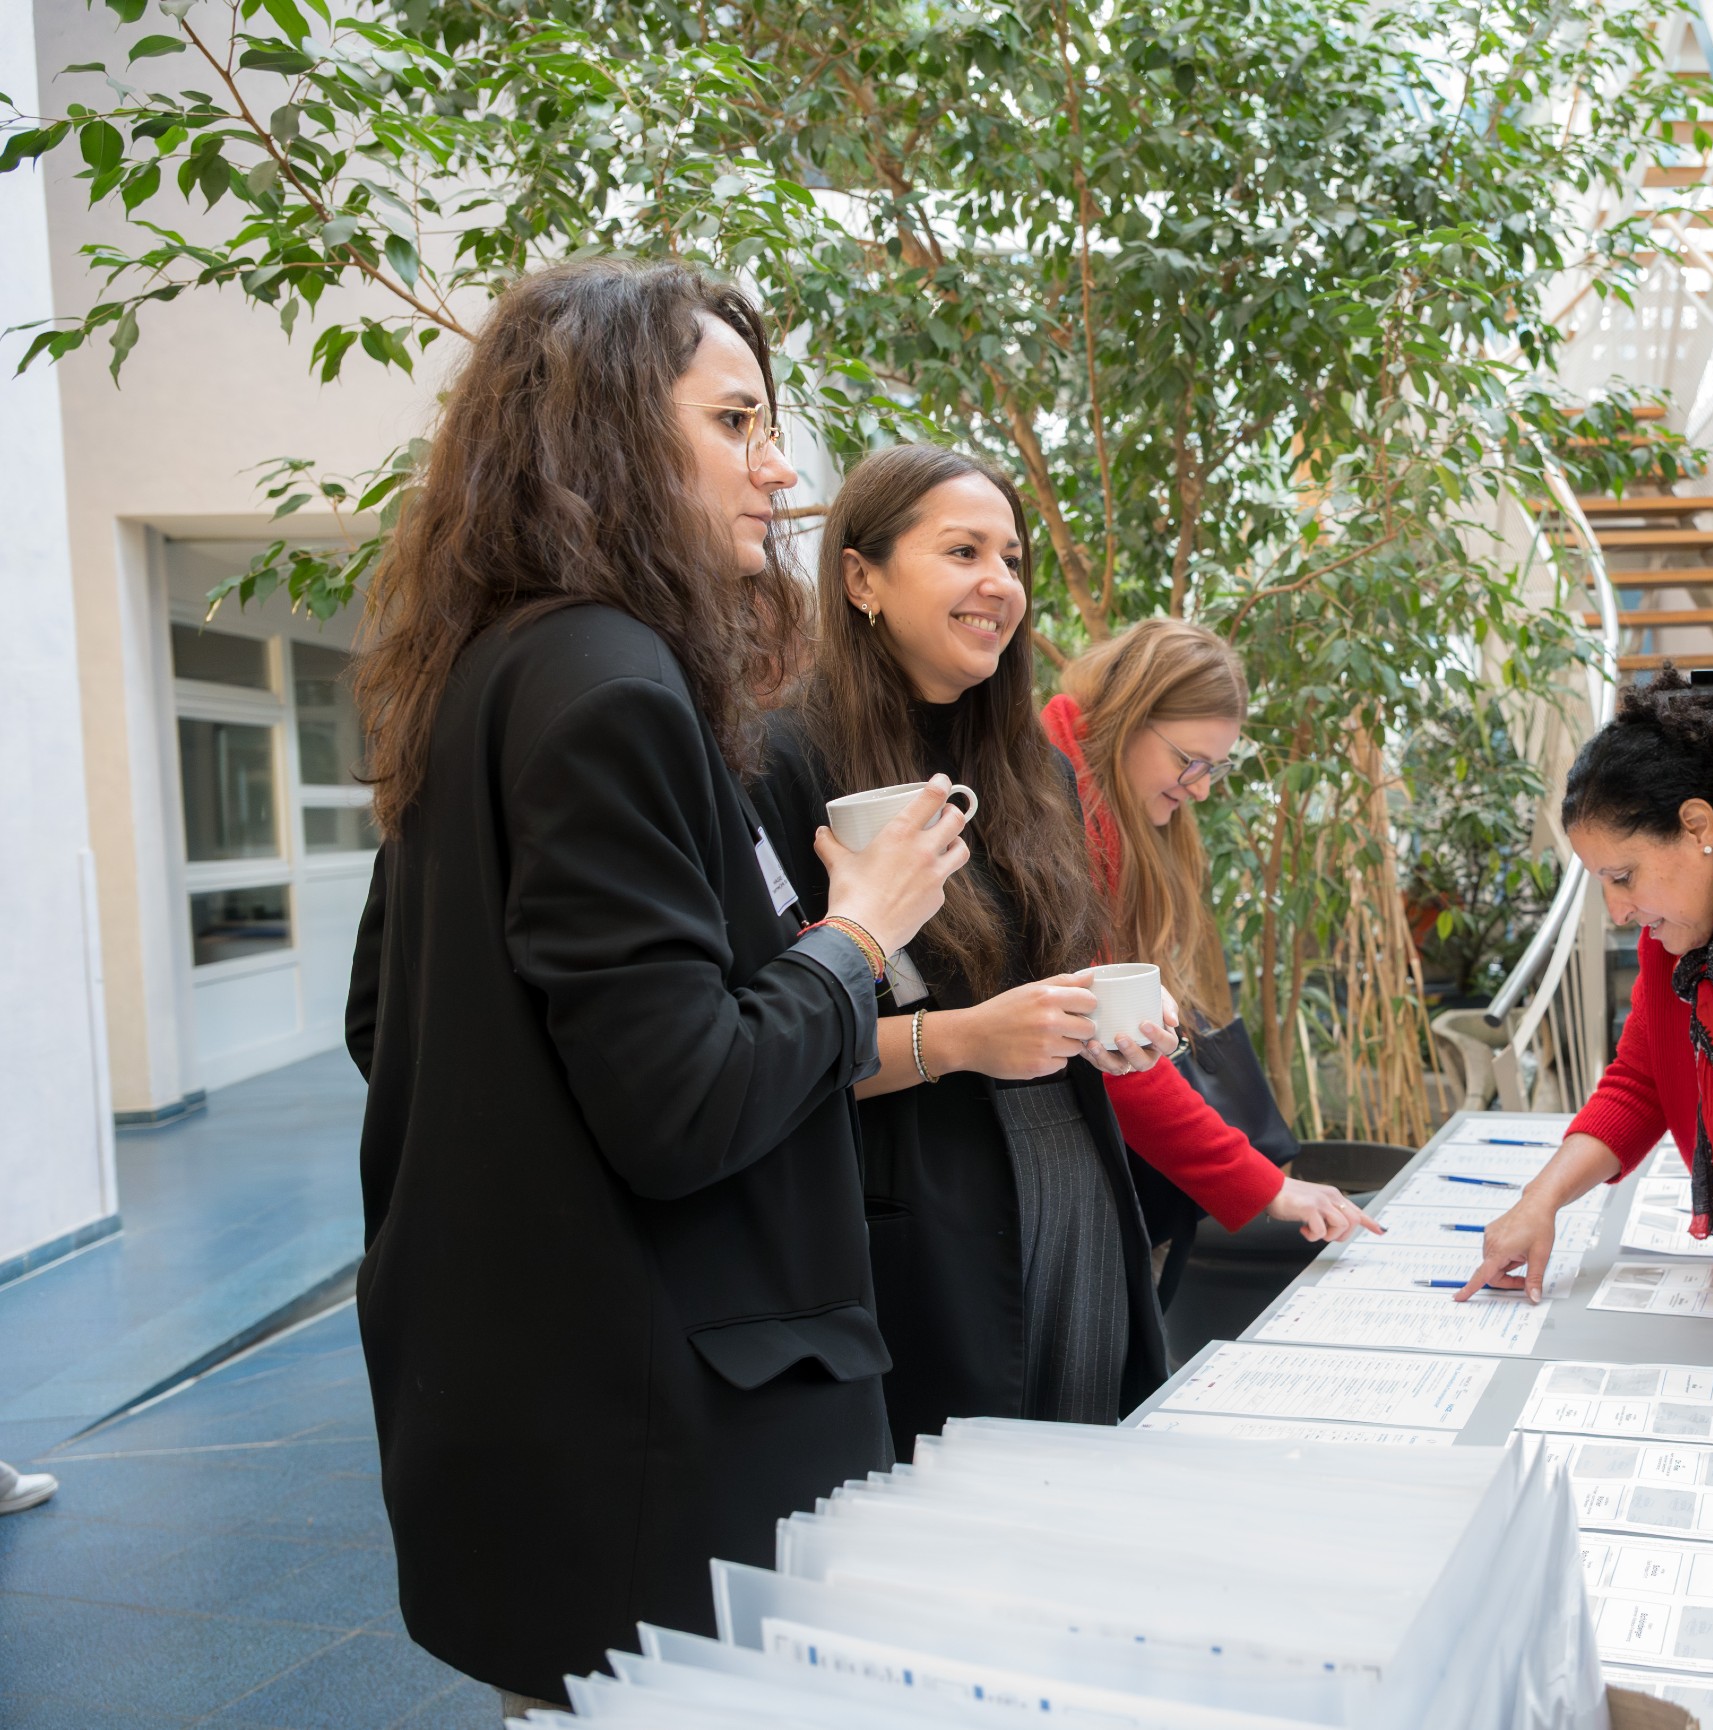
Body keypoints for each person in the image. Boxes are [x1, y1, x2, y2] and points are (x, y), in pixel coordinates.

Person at [343, 260, 971, 1710]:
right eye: (737, 423)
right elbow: (682, 1100)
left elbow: (391, 1022)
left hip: (536, 1417)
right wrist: (858, 934)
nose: (779, 469)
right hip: (662, 1444)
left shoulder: (490, 670)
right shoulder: (616, 689)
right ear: (611, 433)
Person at [749, 445, 1174, 1456]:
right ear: (860, 578)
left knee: (1077, 1495)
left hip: (1071, 1198)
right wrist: (962, 1039)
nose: (1000, 582)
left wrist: (1102, 1029)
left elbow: (1041, 991)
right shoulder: (777, 761)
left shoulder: (1031, 769)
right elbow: (757, 1050)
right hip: (915, 1228)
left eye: (1012, 556)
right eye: (962, 550)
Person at [1457, 669, 1713, 1303]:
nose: (1618, 911)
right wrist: (1543, 1199)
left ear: (1698, 827)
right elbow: (1641, 1077)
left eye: (1623, 876)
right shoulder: (1679, 925)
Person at [1042, 619, 1376, 1285]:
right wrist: (1261, 1184)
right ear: (1129, 717)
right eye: (1188, 762)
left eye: (1214, 768)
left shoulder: (1102, 799)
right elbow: (1116, 1049)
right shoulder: (1058, 813)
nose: (1199, 788)